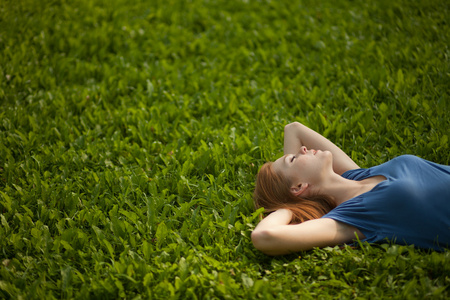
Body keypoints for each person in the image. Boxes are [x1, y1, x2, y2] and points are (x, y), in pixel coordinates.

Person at [251, 122, 450, 256]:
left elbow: (294, 129)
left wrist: (293, 186)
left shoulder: (355, 175)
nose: (301, 149)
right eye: (292, 158)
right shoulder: (352, 218)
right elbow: (264, 236)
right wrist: (290, 207)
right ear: (299, 187)